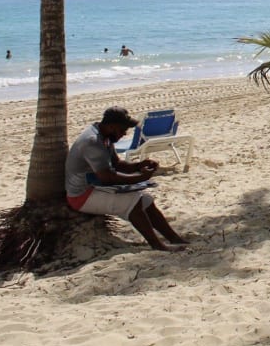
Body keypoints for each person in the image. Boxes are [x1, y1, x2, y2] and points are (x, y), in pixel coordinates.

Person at [64, 107, 188, 252]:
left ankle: (173, 238)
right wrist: (139, 178)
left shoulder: (104, 136)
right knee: (133, 202)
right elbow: (107, 177)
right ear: (111, 126)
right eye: (122, 130)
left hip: (95, 187)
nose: (124, 133)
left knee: (146, 200)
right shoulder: (93, 142)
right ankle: (157, 245)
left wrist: (139, 166)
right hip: (82, 195)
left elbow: (116, 164)